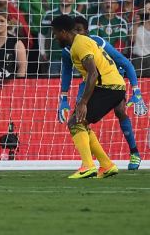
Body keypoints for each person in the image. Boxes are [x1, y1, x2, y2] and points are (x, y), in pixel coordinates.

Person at [58, 16, 147, 170]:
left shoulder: (97, 41)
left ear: (86, 30)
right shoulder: (67, 49)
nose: (77, 33)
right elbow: (67, 72)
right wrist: (63, 98)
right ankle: (93, 161)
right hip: (89, 82)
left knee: (120, 111)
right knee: (79, 118)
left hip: (110, 79)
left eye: (80, 30)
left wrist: (136, 90)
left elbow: (125, 63)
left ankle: (134, 153)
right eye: (75, 30)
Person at [51, 14, 125, 179]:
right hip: (110, 85)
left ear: (63, 32)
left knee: (75, 122)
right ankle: (106, 165)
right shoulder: (79, 43)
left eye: (55, 32)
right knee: (82, 124)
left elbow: (93, 73)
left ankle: (88, 166)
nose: (55, 37)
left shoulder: (80, 44)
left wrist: (83, 102)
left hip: (108, 86)